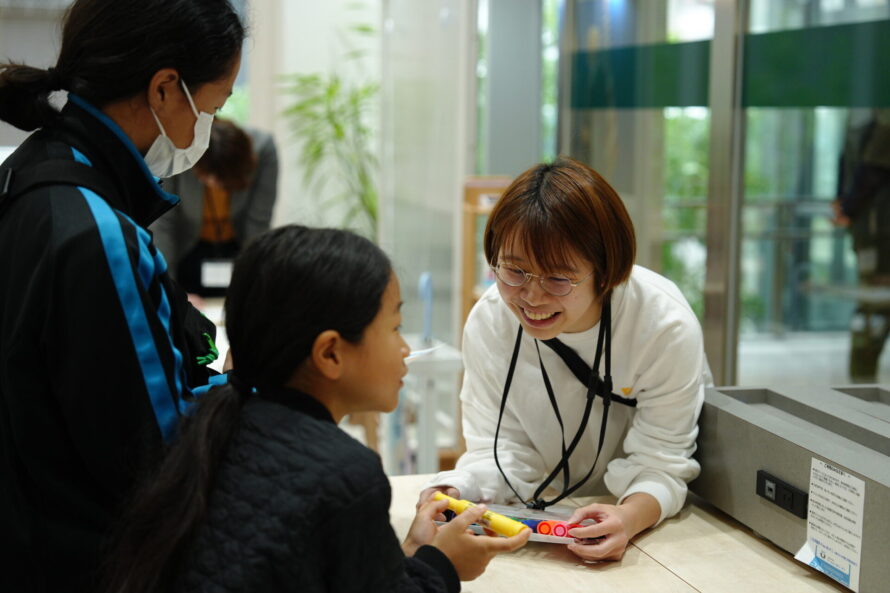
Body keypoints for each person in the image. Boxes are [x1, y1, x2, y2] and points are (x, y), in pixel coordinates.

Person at [105, 225, 529, 593]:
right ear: (330, 353)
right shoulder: (345, 474)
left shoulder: (213, 425)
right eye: (395, 327)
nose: (404, 349)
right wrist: (444, 564)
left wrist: (412, 553)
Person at [0, 1, 244, 591]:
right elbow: (159, 453)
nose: (206, 131)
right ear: (164, 89)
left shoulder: (31, 171)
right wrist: (250, 388)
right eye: (212, 108)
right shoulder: (97, 233)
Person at [419, 157, 710, 562]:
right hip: (547, 516)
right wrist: (455, 490)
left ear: (605, 272)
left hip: (646, 524)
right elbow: (498, 451)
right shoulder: (491, 321)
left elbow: (663, 463)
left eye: (557, 278)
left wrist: (627, 518)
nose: (532, 297)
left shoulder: (663, 326)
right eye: (514, 271)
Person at [150, 117, 279, 298]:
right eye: (211, 180)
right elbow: (164, 224)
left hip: (238, 247)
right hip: (187, 249)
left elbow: (258, 222)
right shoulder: (176, 152)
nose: (217, 187)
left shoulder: (263, 150)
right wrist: (171, 291)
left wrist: (254, 286)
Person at [833, 110, 890, 383]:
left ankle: (862, 384)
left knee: (874, 306)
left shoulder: (864, 111)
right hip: (877, 232)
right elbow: (869, 167)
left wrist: (847, 205)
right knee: (874, 306)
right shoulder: (873, 111)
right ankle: (862, 386)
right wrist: (848, 205)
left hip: (873, 230)